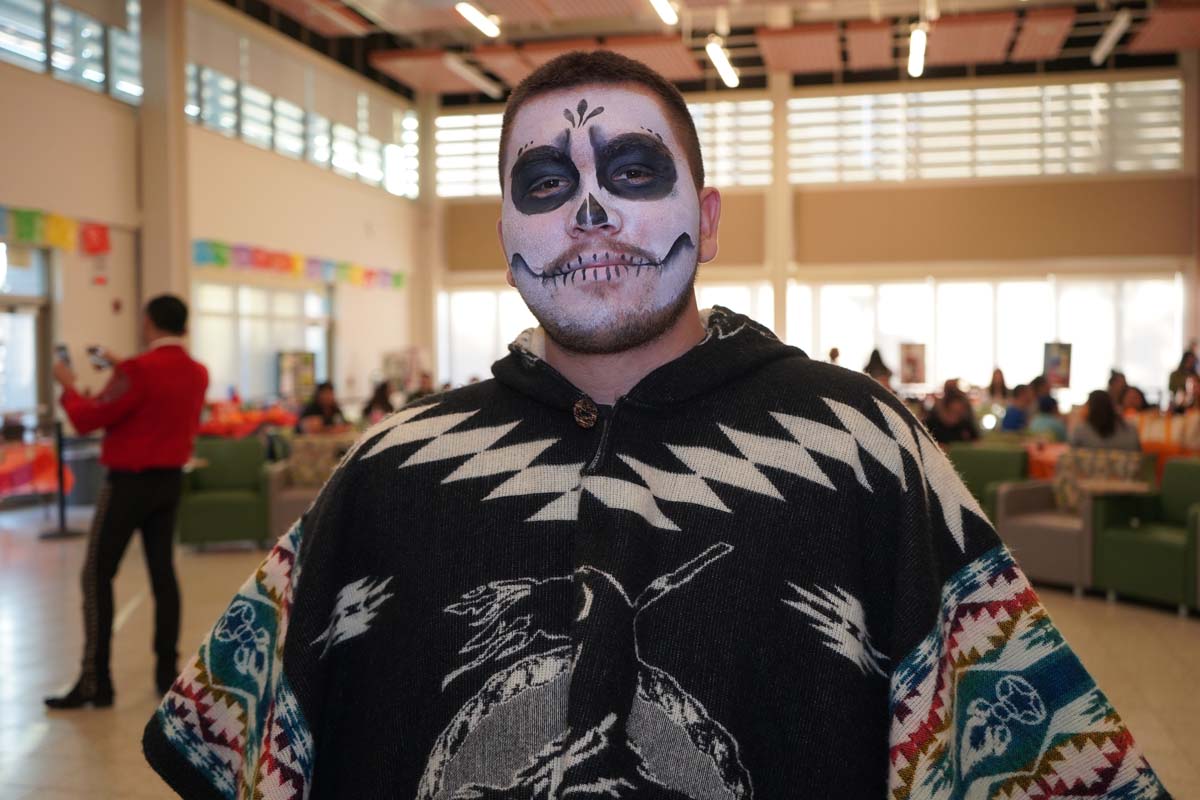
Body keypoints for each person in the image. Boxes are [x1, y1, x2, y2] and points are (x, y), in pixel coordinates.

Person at [143, 52, 1166, 798]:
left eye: (633, 172)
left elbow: (1036, 758)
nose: (588, 210)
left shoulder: (867, 450)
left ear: (708, 218)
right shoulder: (388, 471)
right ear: (505, 234)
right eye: (545, 183)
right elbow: (237, 740)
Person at [45, 295, 208, 709]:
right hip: (169, 483)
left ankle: (94, 681)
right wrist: (121, 367)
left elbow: (88, 417)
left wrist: (67, 385)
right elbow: (148, 392)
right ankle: (165, 671)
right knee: (162, 574)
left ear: (148, 322)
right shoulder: (196, 372)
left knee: (96, 575)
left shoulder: (137, 371)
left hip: (127, 486)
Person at [1070, 389, 1141, 452]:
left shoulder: (1082, 430)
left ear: (1091, 407)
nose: (1083, 408)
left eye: (1086, 404)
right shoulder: (1129, 429)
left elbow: (1072, 453)